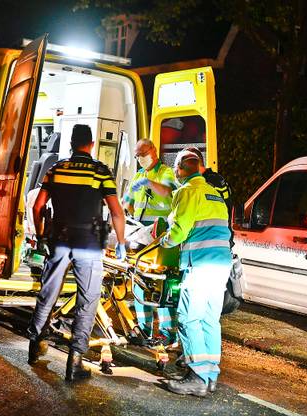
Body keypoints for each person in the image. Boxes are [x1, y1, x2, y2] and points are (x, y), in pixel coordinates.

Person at [26, 124, 126, 382]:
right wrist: (122, 242)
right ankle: (75, 362)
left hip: (59, 240)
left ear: (71, 143)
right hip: (89, 245)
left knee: (48, 293)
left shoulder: (56, 170)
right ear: (91, 144)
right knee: (87, 300)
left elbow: (38, 206)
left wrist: (40, 235)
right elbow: (116, 211)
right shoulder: (100, 172)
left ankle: (35, 344)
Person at [160, 149, 232, 397]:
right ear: (200, 167)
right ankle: (210, 375)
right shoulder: (215, 194)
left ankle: (197, 376)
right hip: (221, 266)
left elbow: (179, 232)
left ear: (180, 168)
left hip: (200, 265)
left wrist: (162, 241)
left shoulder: (186, 192)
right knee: (209, 319)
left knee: (187, 318)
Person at [123, 138, 178, 344]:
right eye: (137, 155)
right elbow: (127, 204)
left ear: (153, 150)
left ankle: (166, 333)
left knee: (160, 285)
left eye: (142, 153)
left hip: (160, 236)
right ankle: (144, 330)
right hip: (140, 236)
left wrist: (148, 183)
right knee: (139, 282)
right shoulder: (138, 174)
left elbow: (167, 192)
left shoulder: (166, 172)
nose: (140, 158)